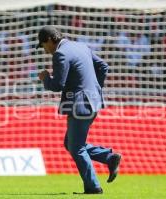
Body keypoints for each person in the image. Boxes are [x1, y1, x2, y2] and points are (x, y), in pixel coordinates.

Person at [37, 25, 121, 194]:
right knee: (71, 143)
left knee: (76, 148)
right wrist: (94, 89)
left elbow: (57, 85)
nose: (45, 50)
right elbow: (103, 66)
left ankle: (93, 187)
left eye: (43, 45)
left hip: (79, 104)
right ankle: (109, 157)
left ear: (49, 40)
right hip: (93, 101)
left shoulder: (60, 54)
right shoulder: (81, 46)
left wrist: (45, 78)